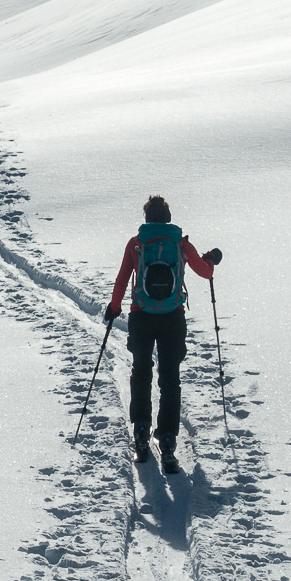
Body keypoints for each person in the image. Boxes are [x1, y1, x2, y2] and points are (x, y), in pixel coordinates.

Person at [103, 195, 222, 474]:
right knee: (170, 378)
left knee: (141, 371)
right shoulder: (181, 243)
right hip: (172, 317)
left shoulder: (136, 244)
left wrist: (114, 308)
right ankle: (167, 440)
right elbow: (205, 273)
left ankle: (141, 434)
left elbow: (122, 279)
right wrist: (211, 260)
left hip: (141, 315)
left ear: (147, 219)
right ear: (168, 218)